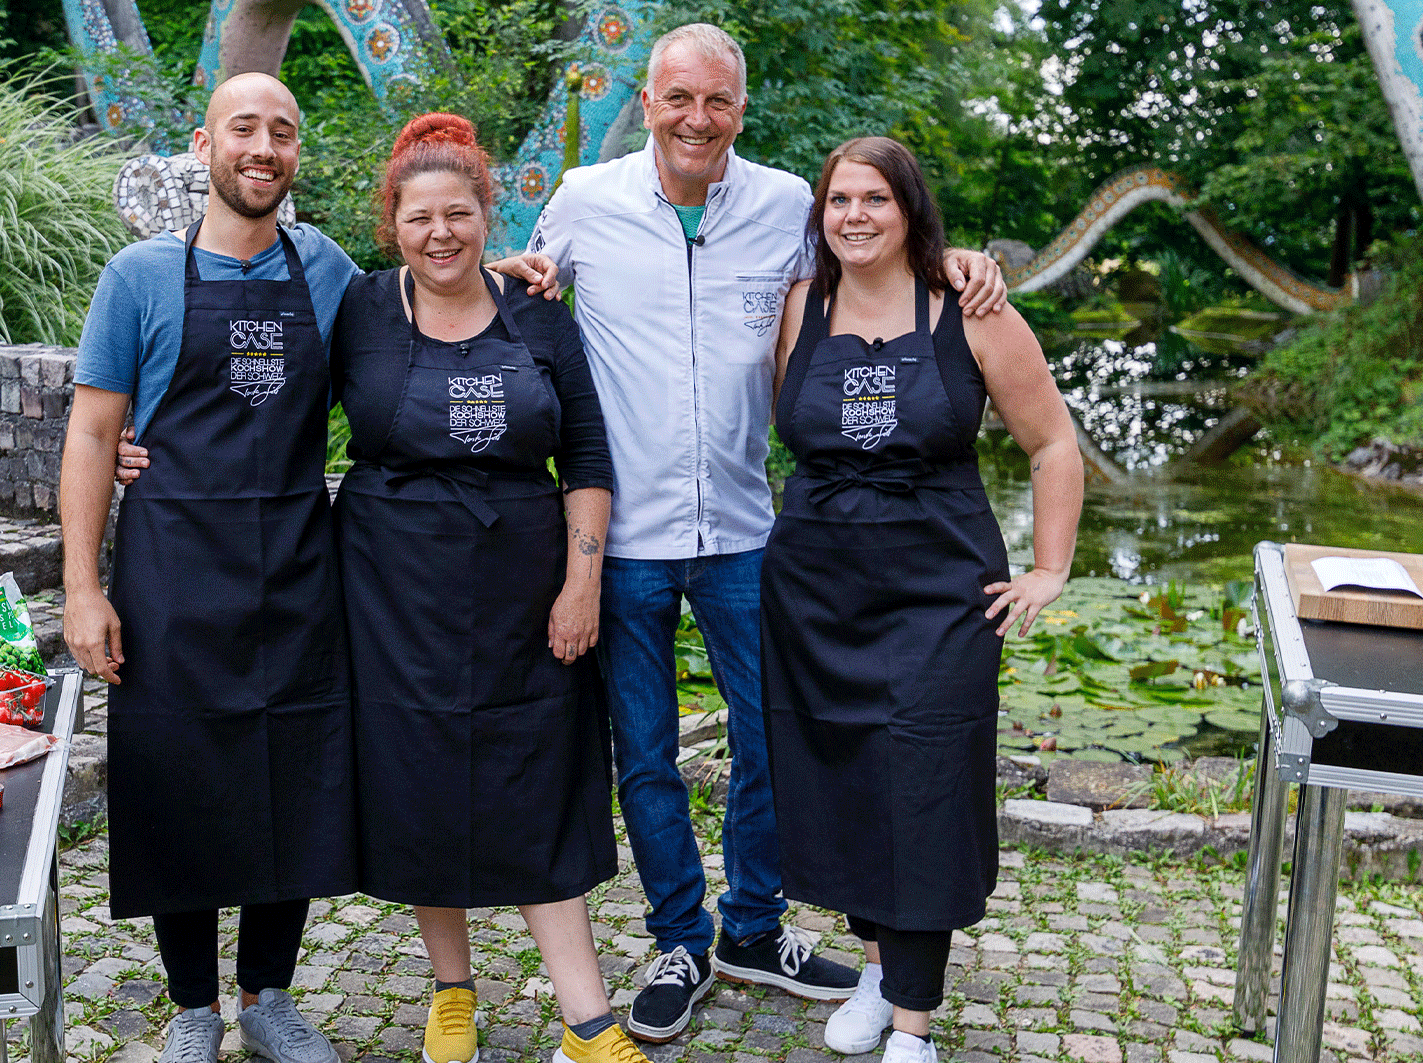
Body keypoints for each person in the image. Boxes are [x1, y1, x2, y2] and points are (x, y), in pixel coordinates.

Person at [524, 23, 1009, 1042]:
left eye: (718, 101)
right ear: (648, 102)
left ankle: (754, 924)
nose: (696, 118)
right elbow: (513, 303)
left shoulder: (792, 203)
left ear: (742, 109)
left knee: (777, 741)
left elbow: (870, 267)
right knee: (644, 749)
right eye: (678, 98)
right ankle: (676, 938)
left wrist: (961, 261)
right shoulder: (582, 200)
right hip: (627, 534)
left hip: (753, 532)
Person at [61, 75, 557, 1063]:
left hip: (297, 564)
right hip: (171, 570)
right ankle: (194, 1006)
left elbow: (421, 297)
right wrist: (82, 587)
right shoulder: (140, 278)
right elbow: (90, 431)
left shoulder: (324, 270)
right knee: (181, 778)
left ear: (294, 156)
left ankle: (269, 996)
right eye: (245, 128)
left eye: (282, 133)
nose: (264, 147)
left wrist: (497, 268)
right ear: (204, 144)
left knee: (292, 773)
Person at [761, 136, 1082, 1063]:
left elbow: (1053, 445)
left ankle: (915, 1025)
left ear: (909, 211)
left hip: (940, 589)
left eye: (875, 200)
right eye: (838, 200)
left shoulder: (970, 308)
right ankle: (876, 971)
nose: (854, 215)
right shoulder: (798, 308)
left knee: (925, 789)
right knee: (844, 782)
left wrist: (1050, 568)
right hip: (817, 589)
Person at [331, 112, 643, 1063]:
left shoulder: (540, 314)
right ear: (394, 222)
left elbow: (588, 457)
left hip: (526, 582)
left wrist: (579, 584)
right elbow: (258, 407)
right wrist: (146, 450)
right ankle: (452, 994)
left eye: (458, 214)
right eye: (420, 217)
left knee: (539, 777)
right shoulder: (359, 311)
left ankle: (586, 1021)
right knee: (420, 780)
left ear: (484, 216)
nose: (440, 234)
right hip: (392, 587)